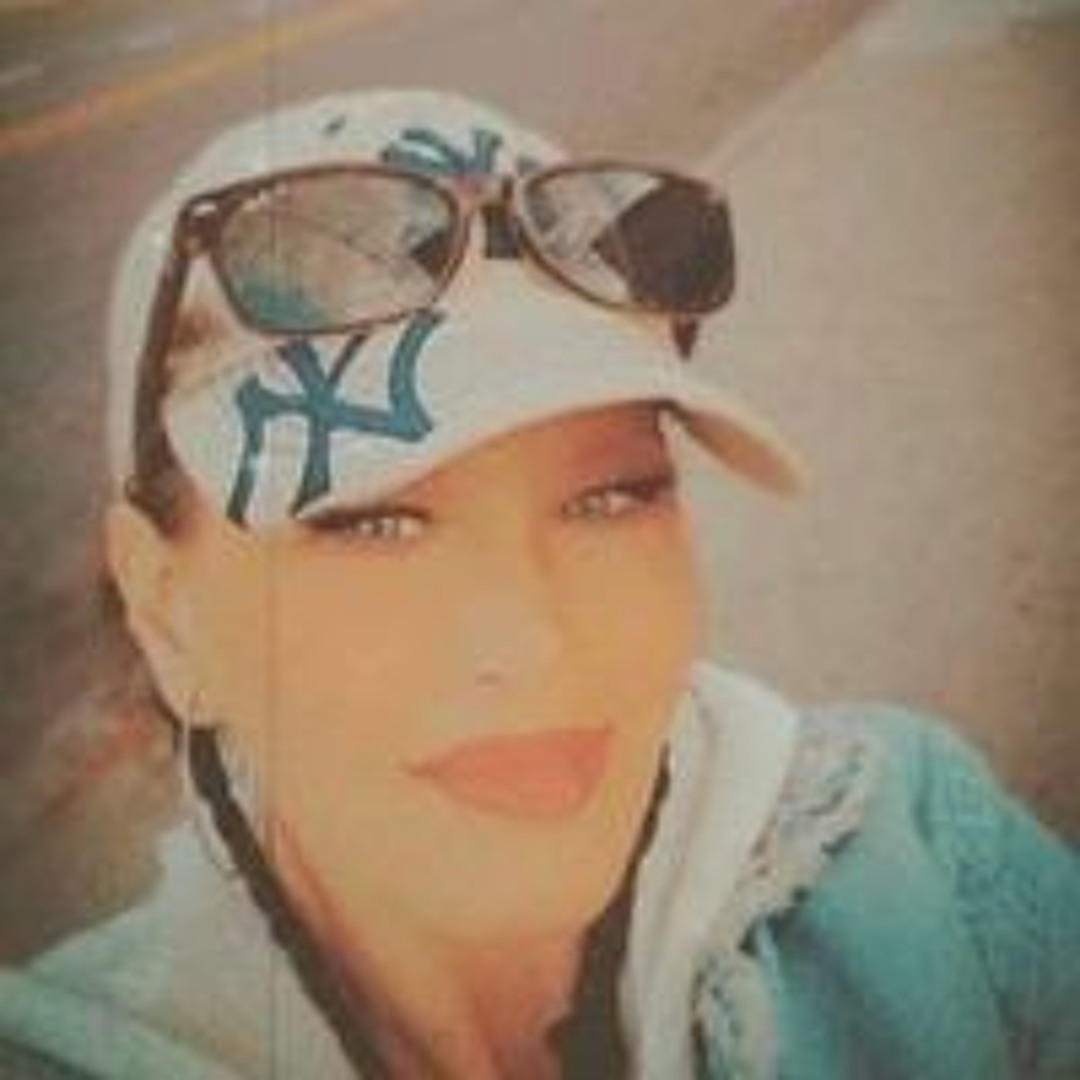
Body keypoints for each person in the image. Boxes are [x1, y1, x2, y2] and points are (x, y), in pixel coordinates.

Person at [0, 87, 1076, 1080]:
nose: (531, 641)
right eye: (375, 522)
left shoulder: (926, 860)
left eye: (611, 497)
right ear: (166, 610)